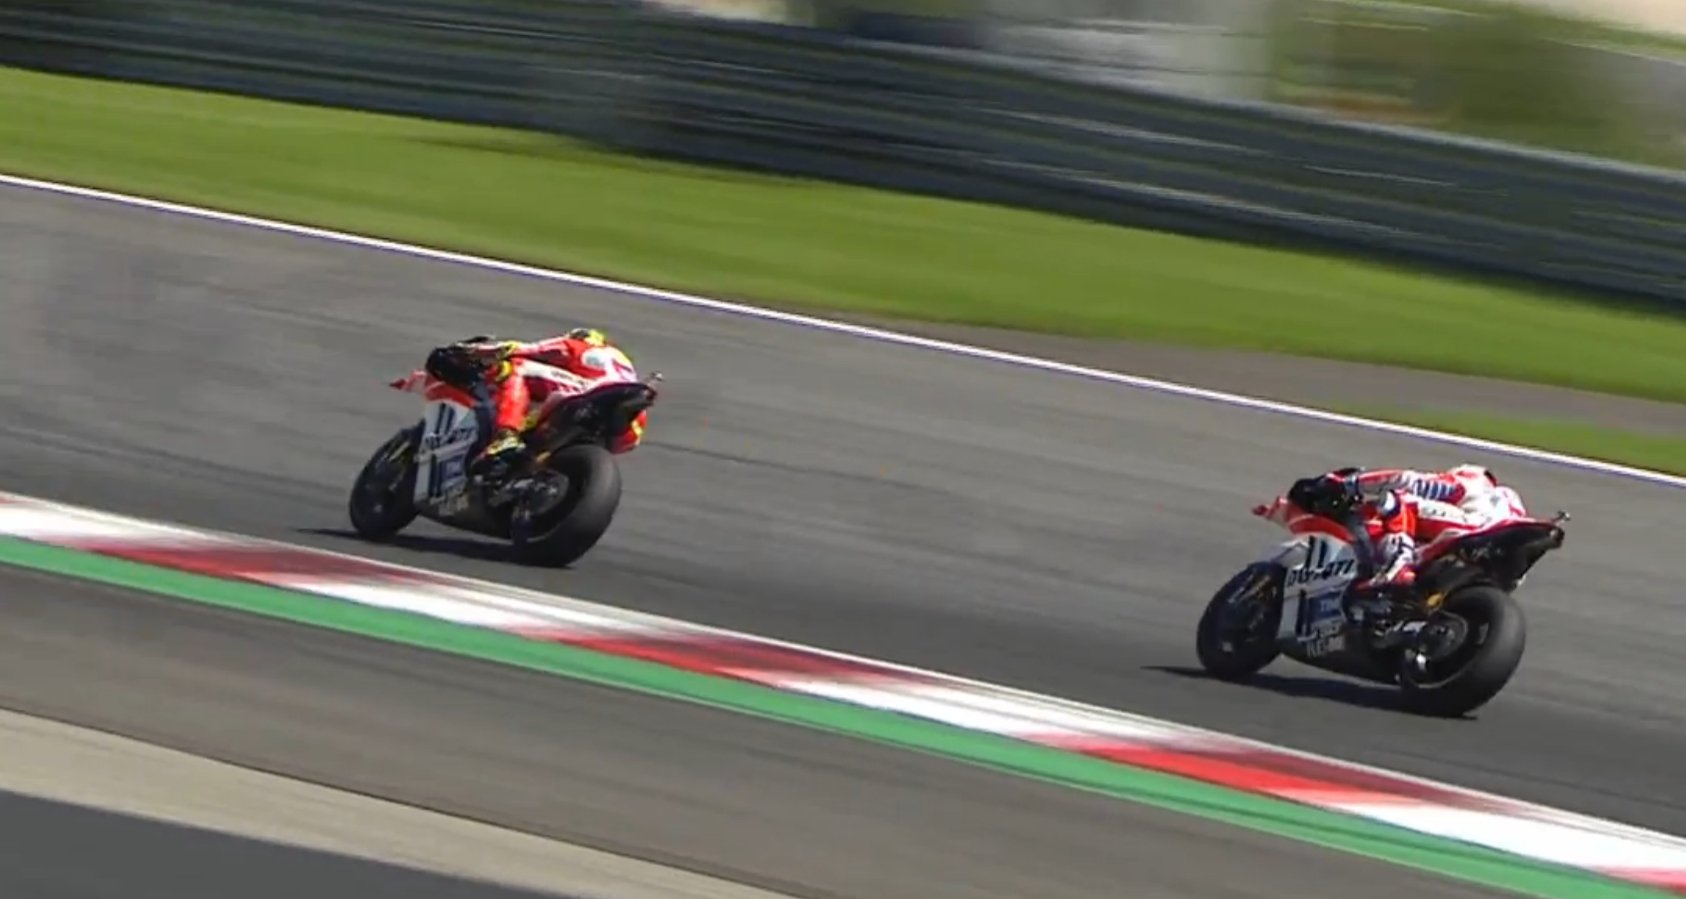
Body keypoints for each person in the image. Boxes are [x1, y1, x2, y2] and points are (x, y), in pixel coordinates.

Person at [1253, 464, 1528, 591]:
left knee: (1400, 499)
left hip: (1474, 530)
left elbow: (1408, 480)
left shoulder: (1471, 482)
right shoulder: (1510, 501)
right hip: (1500, 563)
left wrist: (1351, 484)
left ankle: (1398, 565)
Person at [428, 328, 648, 476]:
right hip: (630, 424)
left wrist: (472, 352)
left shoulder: (580, 346)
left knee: (518, 367)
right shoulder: (623, 365)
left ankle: (506, 436)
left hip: (591, 392)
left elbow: (524, 350)